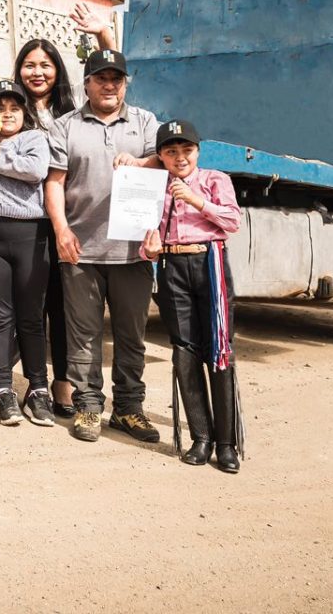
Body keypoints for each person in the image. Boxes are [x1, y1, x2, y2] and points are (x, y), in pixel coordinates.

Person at [0, 0, 116, 417]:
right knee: (21, 310)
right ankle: (18, 387)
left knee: (59, 308)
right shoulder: (7, 113)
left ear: (57, 70)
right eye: (29, 64)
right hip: (24, 223)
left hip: (64, 218)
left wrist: (103, 35)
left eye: (45, 64)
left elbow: (105, 79)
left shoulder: (68, 112)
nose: (37, 71)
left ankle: (59, 386)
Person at [44, 49, 160, 444]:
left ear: (125, 83)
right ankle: (89, 408)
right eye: (101, 78)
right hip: (82, 250)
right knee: (84, 335)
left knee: (131, 336)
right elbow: (55, 181)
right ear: (87, 83)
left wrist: (142, 164)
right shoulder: (66, 126)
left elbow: (168, 163)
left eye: (117, 79)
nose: (109, 85)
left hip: (134, 251)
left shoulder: (145, 121)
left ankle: (128, 409)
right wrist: (61, 229)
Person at [141, 120, 244, 473]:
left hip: (209, 263)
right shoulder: (156, 187)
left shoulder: (215, 180)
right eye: (171, 151)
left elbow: (232, 221)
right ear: (161, 156)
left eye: (186, 150)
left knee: (219, 348)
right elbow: (146, 236)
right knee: (184, 351)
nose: (179, 157)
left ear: (197, 151)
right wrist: (150, 249)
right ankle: (201, 437)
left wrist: (197, 200)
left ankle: (227, 444)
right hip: (173, 267)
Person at [0, 80, 53, 426]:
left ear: (25, 114)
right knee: (0, 317)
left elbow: (36, 170)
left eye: (14, 109)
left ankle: (38, 391)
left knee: (31, 319)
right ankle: (4, 390)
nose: (6, 115)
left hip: (30, 235)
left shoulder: (35, 139)